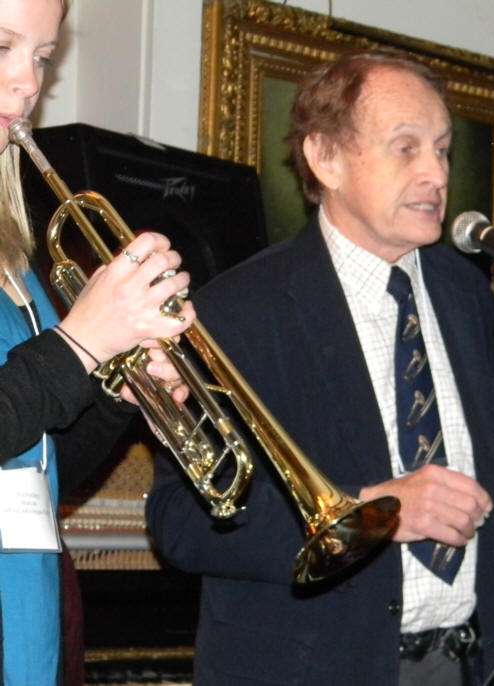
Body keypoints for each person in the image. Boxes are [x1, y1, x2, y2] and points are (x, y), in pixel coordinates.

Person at [146, 51, 494, 685]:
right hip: (315, 666)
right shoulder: (234, 311)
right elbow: (183, 524)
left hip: (473, 663)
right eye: (406, 148)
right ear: (326, 158)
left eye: (442, 148)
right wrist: (374, 513)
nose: (436, 172)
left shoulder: (467, 294)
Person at [0, 0, 195, 683]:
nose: (28, 82)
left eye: (43, 58)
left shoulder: (14, 266)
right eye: (3, 47)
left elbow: (37, 468)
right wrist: (80, 344)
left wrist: (120, 385)